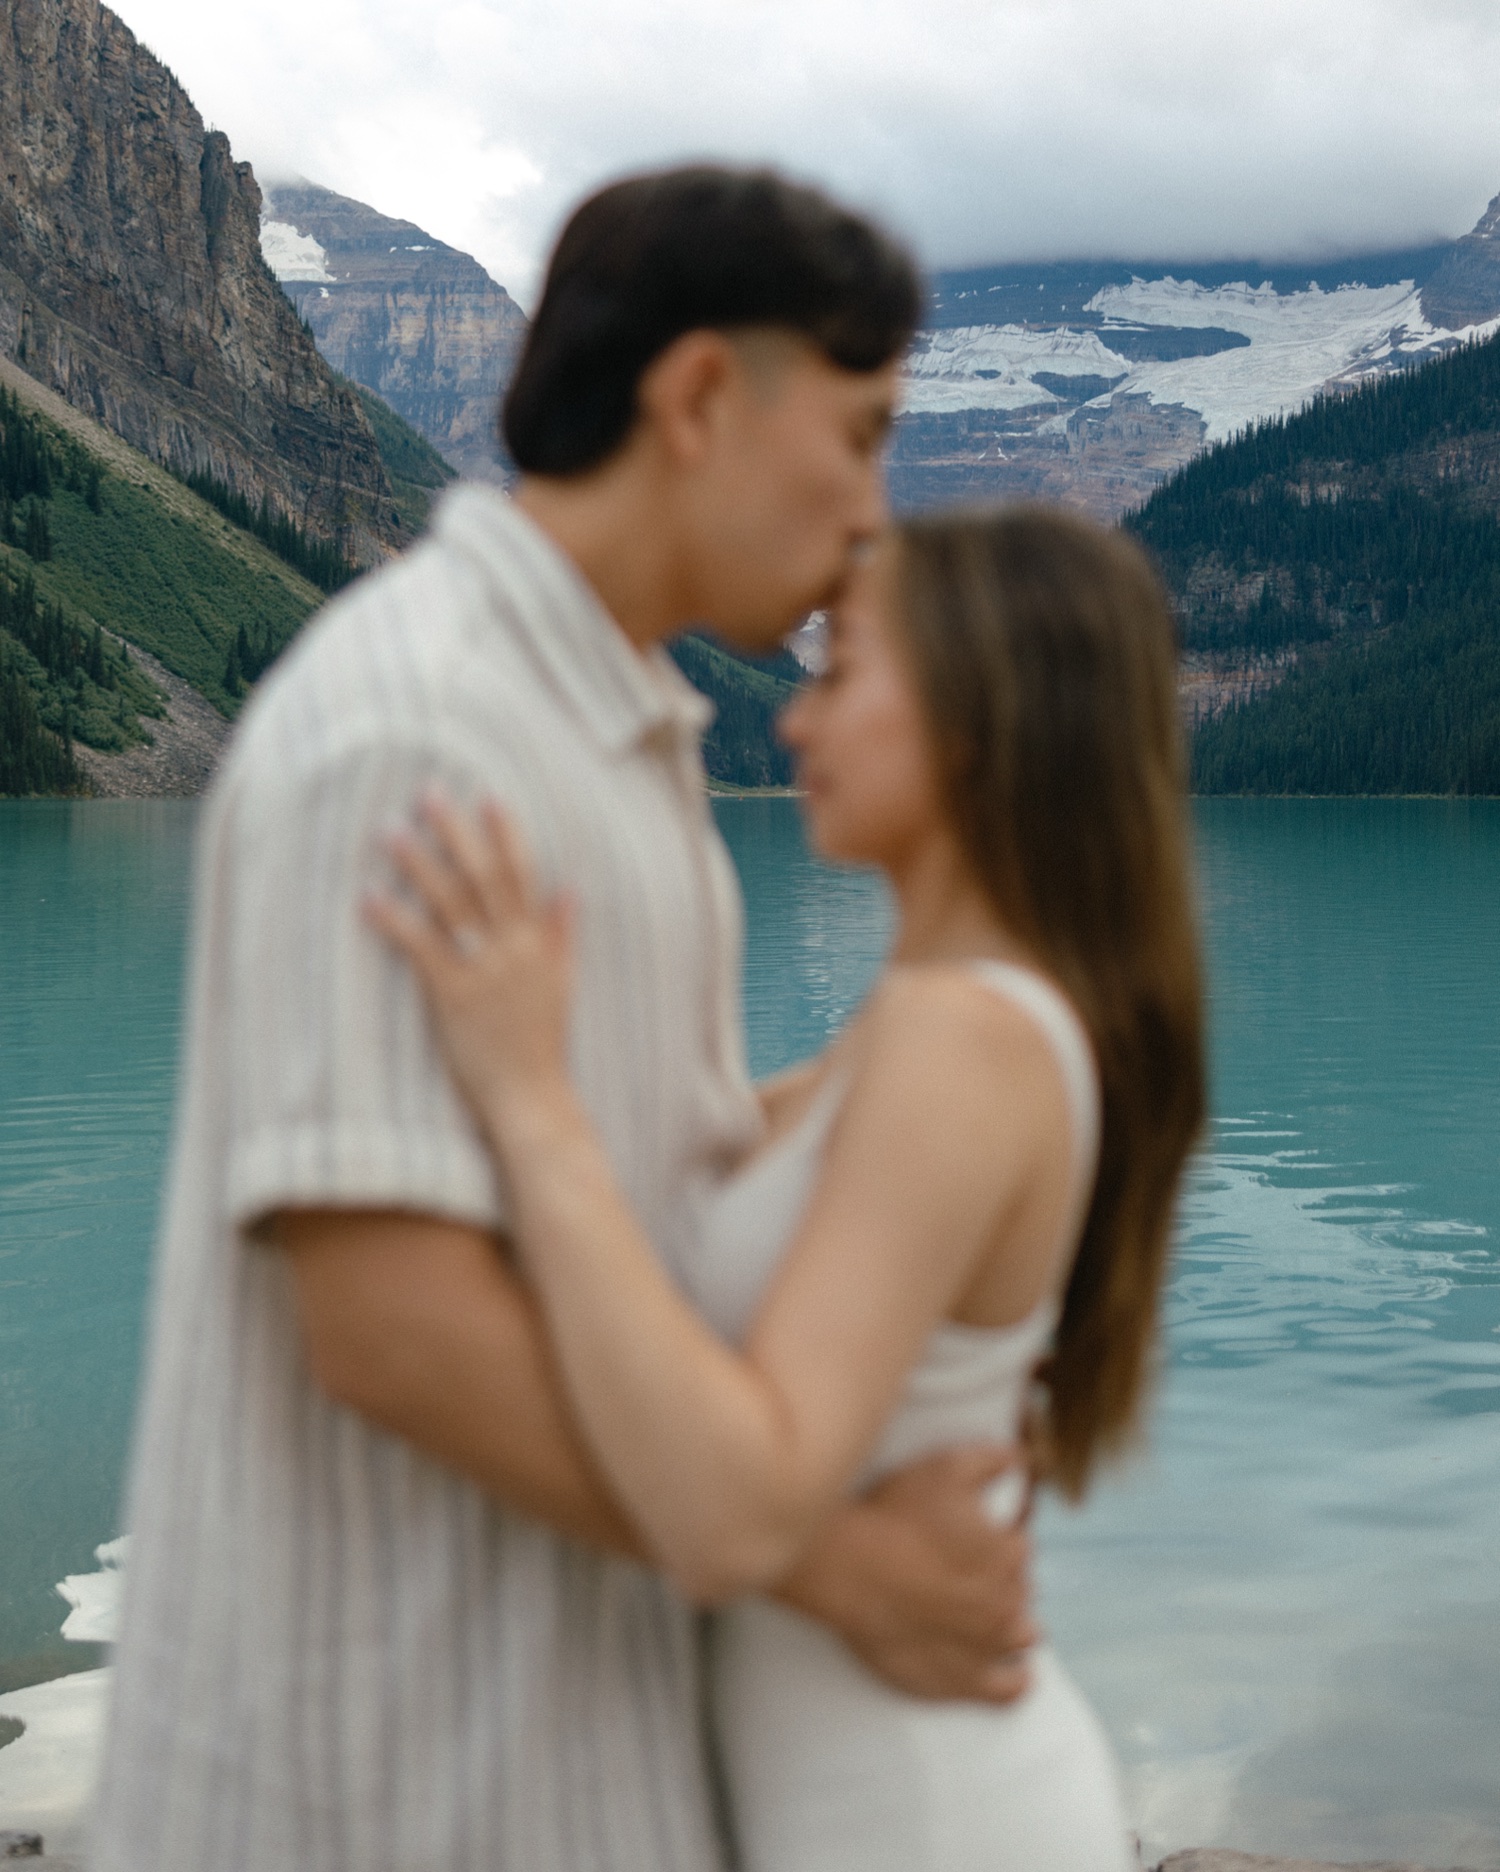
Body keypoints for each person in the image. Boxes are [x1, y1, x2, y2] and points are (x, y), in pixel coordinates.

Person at [90, 167, 1039, 1872]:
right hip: (370, 1790)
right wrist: (834, 1562)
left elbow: (634, 1179)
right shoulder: (422, 736)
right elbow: (391, 1327)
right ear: (697, 401)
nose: (873, 508)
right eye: (861, 429)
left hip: (557, 1765)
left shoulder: (613, 741)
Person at [368, 505, 1207, 1871]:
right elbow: (654, 1171)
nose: (797, 724)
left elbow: (731, 1511)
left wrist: (528, 1102)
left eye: (844, 673)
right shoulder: (914, 1040)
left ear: (977, 720)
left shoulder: (967, 1042)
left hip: (924, 1818)